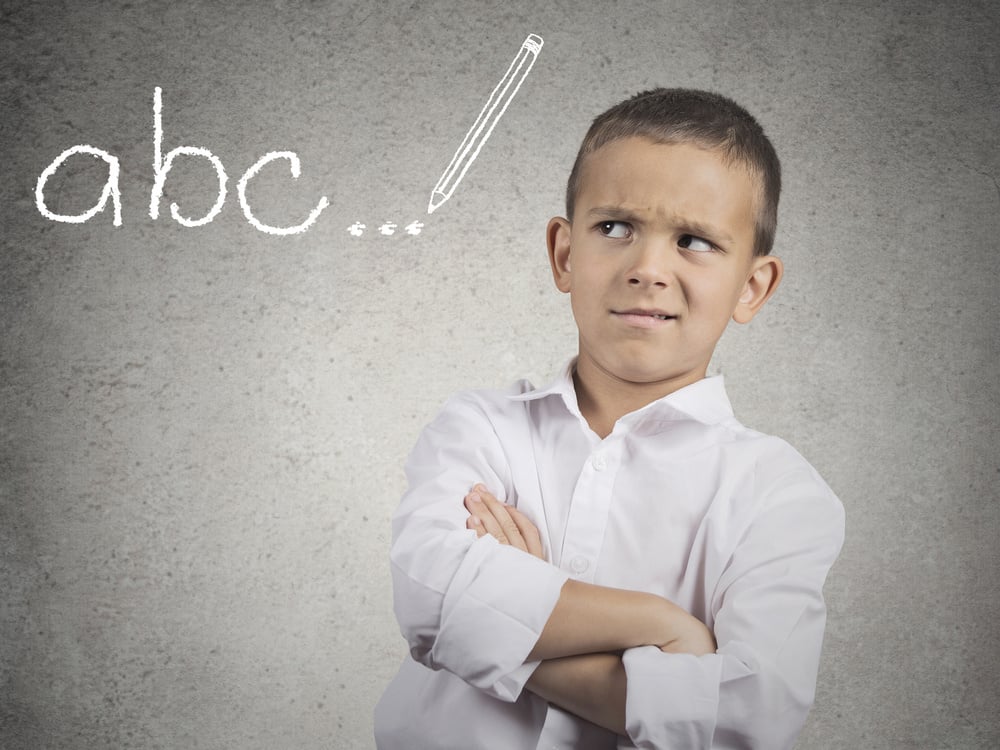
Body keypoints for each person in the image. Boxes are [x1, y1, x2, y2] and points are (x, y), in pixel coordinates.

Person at [374, 88, 844, 749]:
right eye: (615, 228)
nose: (648, 268)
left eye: (694, 240)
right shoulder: (479, 429)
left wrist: (510, 610)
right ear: (564, 254)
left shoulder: (779, 495)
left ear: (752, 287)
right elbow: (430, 599)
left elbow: (748, 716)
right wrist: (663, 626)